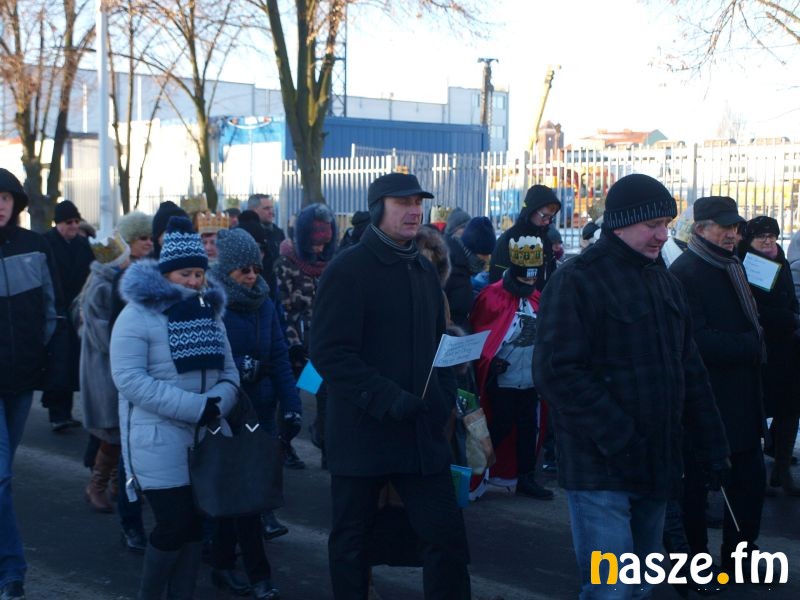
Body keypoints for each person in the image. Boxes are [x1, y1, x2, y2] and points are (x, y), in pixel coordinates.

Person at [534, 174, 729, 599]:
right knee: (612, 588)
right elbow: (557, 372)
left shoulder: (665, 281)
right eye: (652, 225)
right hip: (600, 469)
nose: (663, 235)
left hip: (656, 464)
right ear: (620, 223)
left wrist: (713, 442)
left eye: (666, 224)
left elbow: (689, 369)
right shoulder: (578, 280)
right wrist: (622, 437)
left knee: (640, 586)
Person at [310, 172, 471, 600]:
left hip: (420, 436)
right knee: (352, 543)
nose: (415, 211)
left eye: (418, 202)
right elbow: (329, 353)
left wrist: (442, 399)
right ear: (379, 207)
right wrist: (389, 400)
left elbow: (438, 343)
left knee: (446, 540)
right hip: (362, 434)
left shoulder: (422, 268)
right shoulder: (348, 269)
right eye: (403, 203)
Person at [111, 216, 239, 599]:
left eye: (199, 274)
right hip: (156, 436)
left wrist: (217, 404)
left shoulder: (209, 312)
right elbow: (130, 379)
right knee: (174, 524)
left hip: (205, 435)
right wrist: (197, 407)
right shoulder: (136, 315)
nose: (194, 282)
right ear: (166, 274)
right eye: (186, 274)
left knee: (196, 524)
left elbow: (229, 372)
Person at [669, 196, 767, 573]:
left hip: (743, 398)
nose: (733, 234)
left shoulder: (732, 264)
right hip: (707, 401)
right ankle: (695, 562)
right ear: (700, 228)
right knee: (697, 486)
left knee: (748, 483)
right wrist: (750, 344)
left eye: (736, 227)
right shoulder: (686, 272)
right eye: (724, 227)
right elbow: (695, 340)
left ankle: (740, 555)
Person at [209, 228, 295, 598]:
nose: (251, 275)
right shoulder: (211, 304)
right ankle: (252, 572)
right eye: (244, 269)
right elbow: (206, 359)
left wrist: (292, 406)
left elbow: (279, 354)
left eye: (256, 268)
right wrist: (236, 367)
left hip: (261, 407)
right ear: (227, 269)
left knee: (247, 490)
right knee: (239, 492)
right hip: (226, 410)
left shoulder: (263, 301)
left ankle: (224, 562)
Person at [0, 168, 59, 600]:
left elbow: (51, 310)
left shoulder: (34, 246)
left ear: (16, 203)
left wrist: (44, 361)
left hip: (22, 382)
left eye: (5, 198)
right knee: (1, 479)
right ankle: (12, 571)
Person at [470, 234, 553, 500]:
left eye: (532, 278)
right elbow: (482, 336)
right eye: (524, 278)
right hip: (503, 380)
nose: (529, 283)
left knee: (528, 429)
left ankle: (526, 478)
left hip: (529, 378)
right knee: (500, 425)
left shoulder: (537, 298)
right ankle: (478, 472)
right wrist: (492, 362)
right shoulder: (492, 296)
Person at [737, 216, 800, 496]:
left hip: (786, 348)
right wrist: (791, 318)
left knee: (790, 409)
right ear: (750, 239)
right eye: (761, 236)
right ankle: (756, 474)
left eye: (772, 236)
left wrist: (793, 316)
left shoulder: (781, 260)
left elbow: (790, 298)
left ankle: (782, 469)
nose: (767, 240)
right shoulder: (743, 264)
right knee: (757, 412)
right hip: (760, 348)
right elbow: (755, 308)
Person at [274, 202, 337, 470]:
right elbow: (284, 309)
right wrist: (294, 344)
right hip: (297, 347)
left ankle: (325, 446)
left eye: (324, 244)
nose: (319, 249)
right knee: (293, 400)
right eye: (314, 244)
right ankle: (284, 445)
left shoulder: (330, 265)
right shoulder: (285, 264)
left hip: (322, 346)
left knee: (325, 397)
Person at [79, 232, 131, 513]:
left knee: (120, 431)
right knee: (112, 432)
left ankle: (115, 483)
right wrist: (126, 341)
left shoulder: (113, 281)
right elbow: (102, 334)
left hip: (113, 366)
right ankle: (96, 486)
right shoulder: (101, 285)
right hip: (103, 369)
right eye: (125, 258)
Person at [42, 199, 94, 431]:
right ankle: (58, 414)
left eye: (76, 221)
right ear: (58, 223)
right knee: (58, 362)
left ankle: (65, 412)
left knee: (72, 362)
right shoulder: (47, 243)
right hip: (56, 310)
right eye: (68, 222)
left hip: (78, 309)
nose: (73, 226)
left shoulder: (83, 245)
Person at [489, 184, 560, 290]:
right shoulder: (508, 240)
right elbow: (497, 280)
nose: (547, 222)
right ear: (531, 210)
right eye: (544, 216)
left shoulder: (545, 238)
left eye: (550, 217)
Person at [445, 216, 495, 331]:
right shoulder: (451, 268)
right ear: (473, 249)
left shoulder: (463, 266)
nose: (486, 260)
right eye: (484, 254)